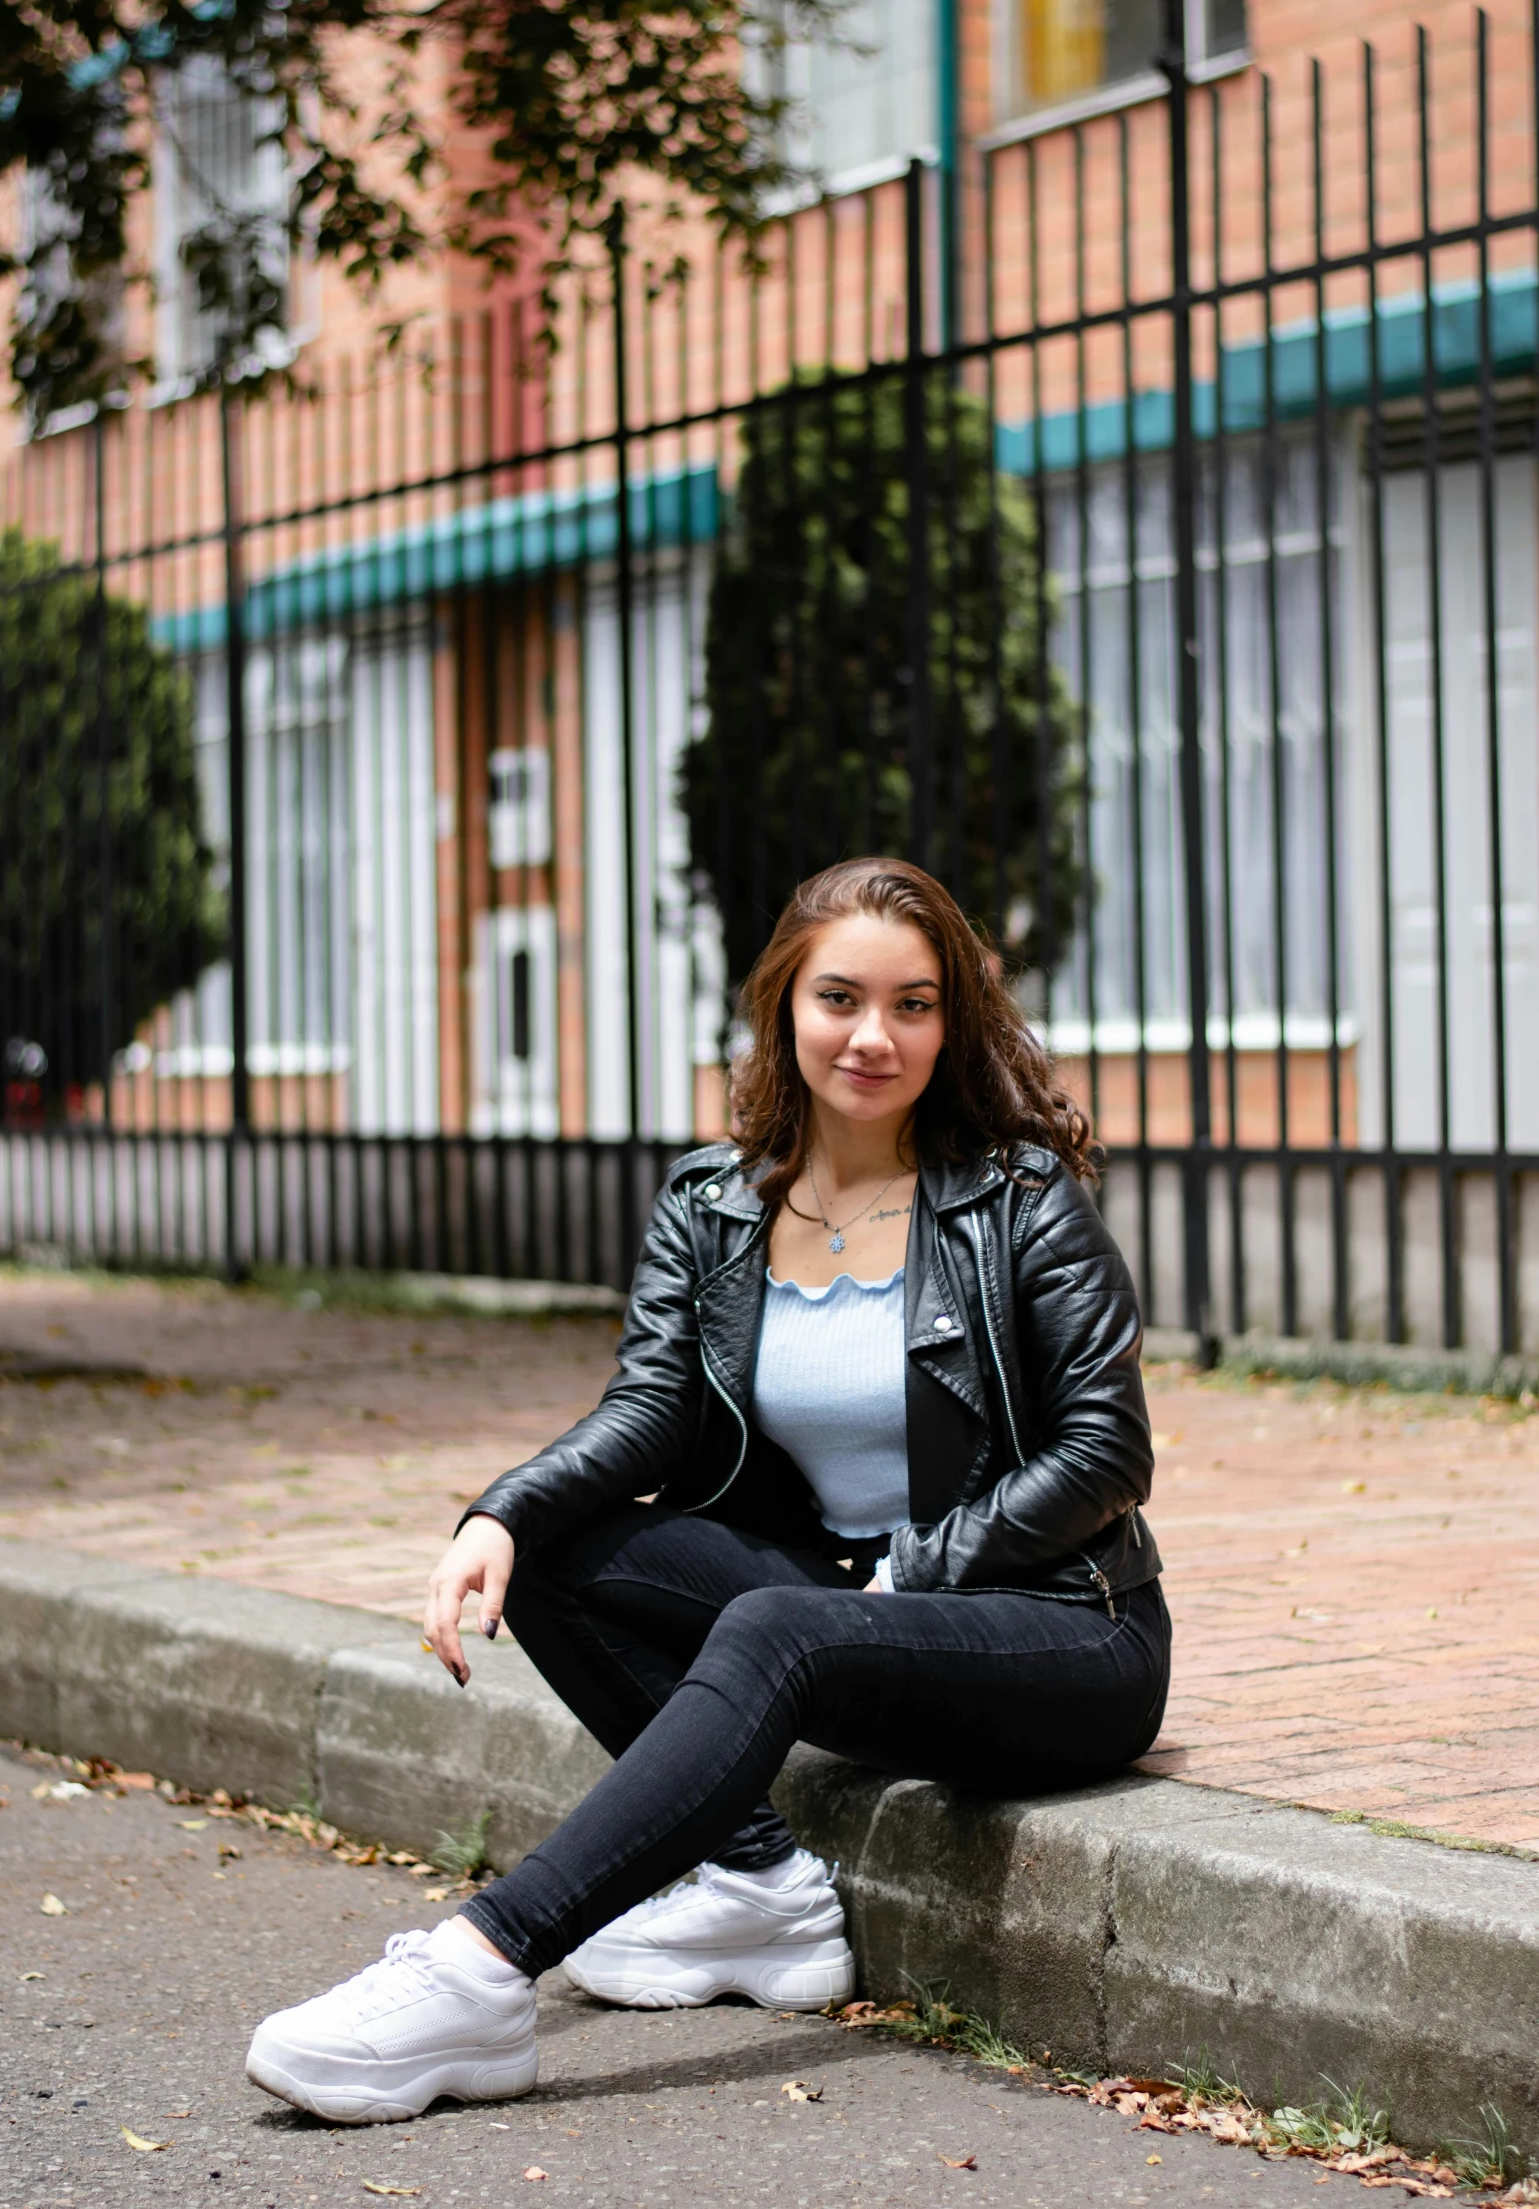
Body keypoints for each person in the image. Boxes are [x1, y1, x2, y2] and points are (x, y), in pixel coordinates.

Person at [246, 857, 1168, 2125]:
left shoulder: (1015, 1196)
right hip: (850, 1608)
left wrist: (916, 1571)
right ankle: (758, 1886)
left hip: (1059, 1624)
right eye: (840, 996)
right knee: (564, 1552)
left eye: (913, 1004)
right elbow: (649, 1410)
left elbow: (1107, 1450)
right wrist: (498, 1512)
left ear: (952, 1022)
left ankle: (476, 1969)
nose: (872, 1035)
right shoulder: (716, 1202)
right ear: (785, 1004)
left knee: (779, 1623)